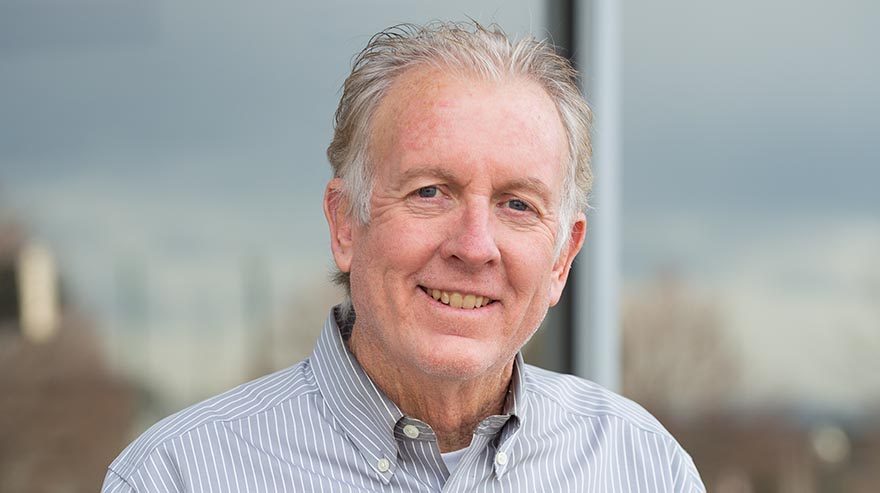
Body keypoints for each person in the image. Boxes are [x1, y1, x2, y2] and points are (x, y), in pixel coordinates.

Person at [102, 21, 705, 492]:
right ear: (345, 224)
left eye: (517, 204)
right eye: (430, 193)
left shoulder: (643, 467)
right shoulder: (177, 477)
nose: (473, 246)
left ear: (560, 260)